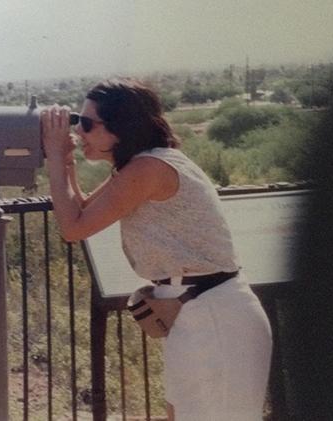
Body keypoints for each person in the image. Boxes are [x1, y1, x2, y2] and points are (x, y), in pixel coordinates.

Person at [41, 78, 273, 421]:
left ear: (120, 128)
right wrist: (65, 161)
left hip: (214, 316)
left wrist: (54, 158)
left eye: (87, 124)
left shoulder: (149, 169)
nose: (79, 132)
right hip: (200, 310)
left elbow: (73, 227)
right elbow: (80, 215)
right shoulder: (144, 164)